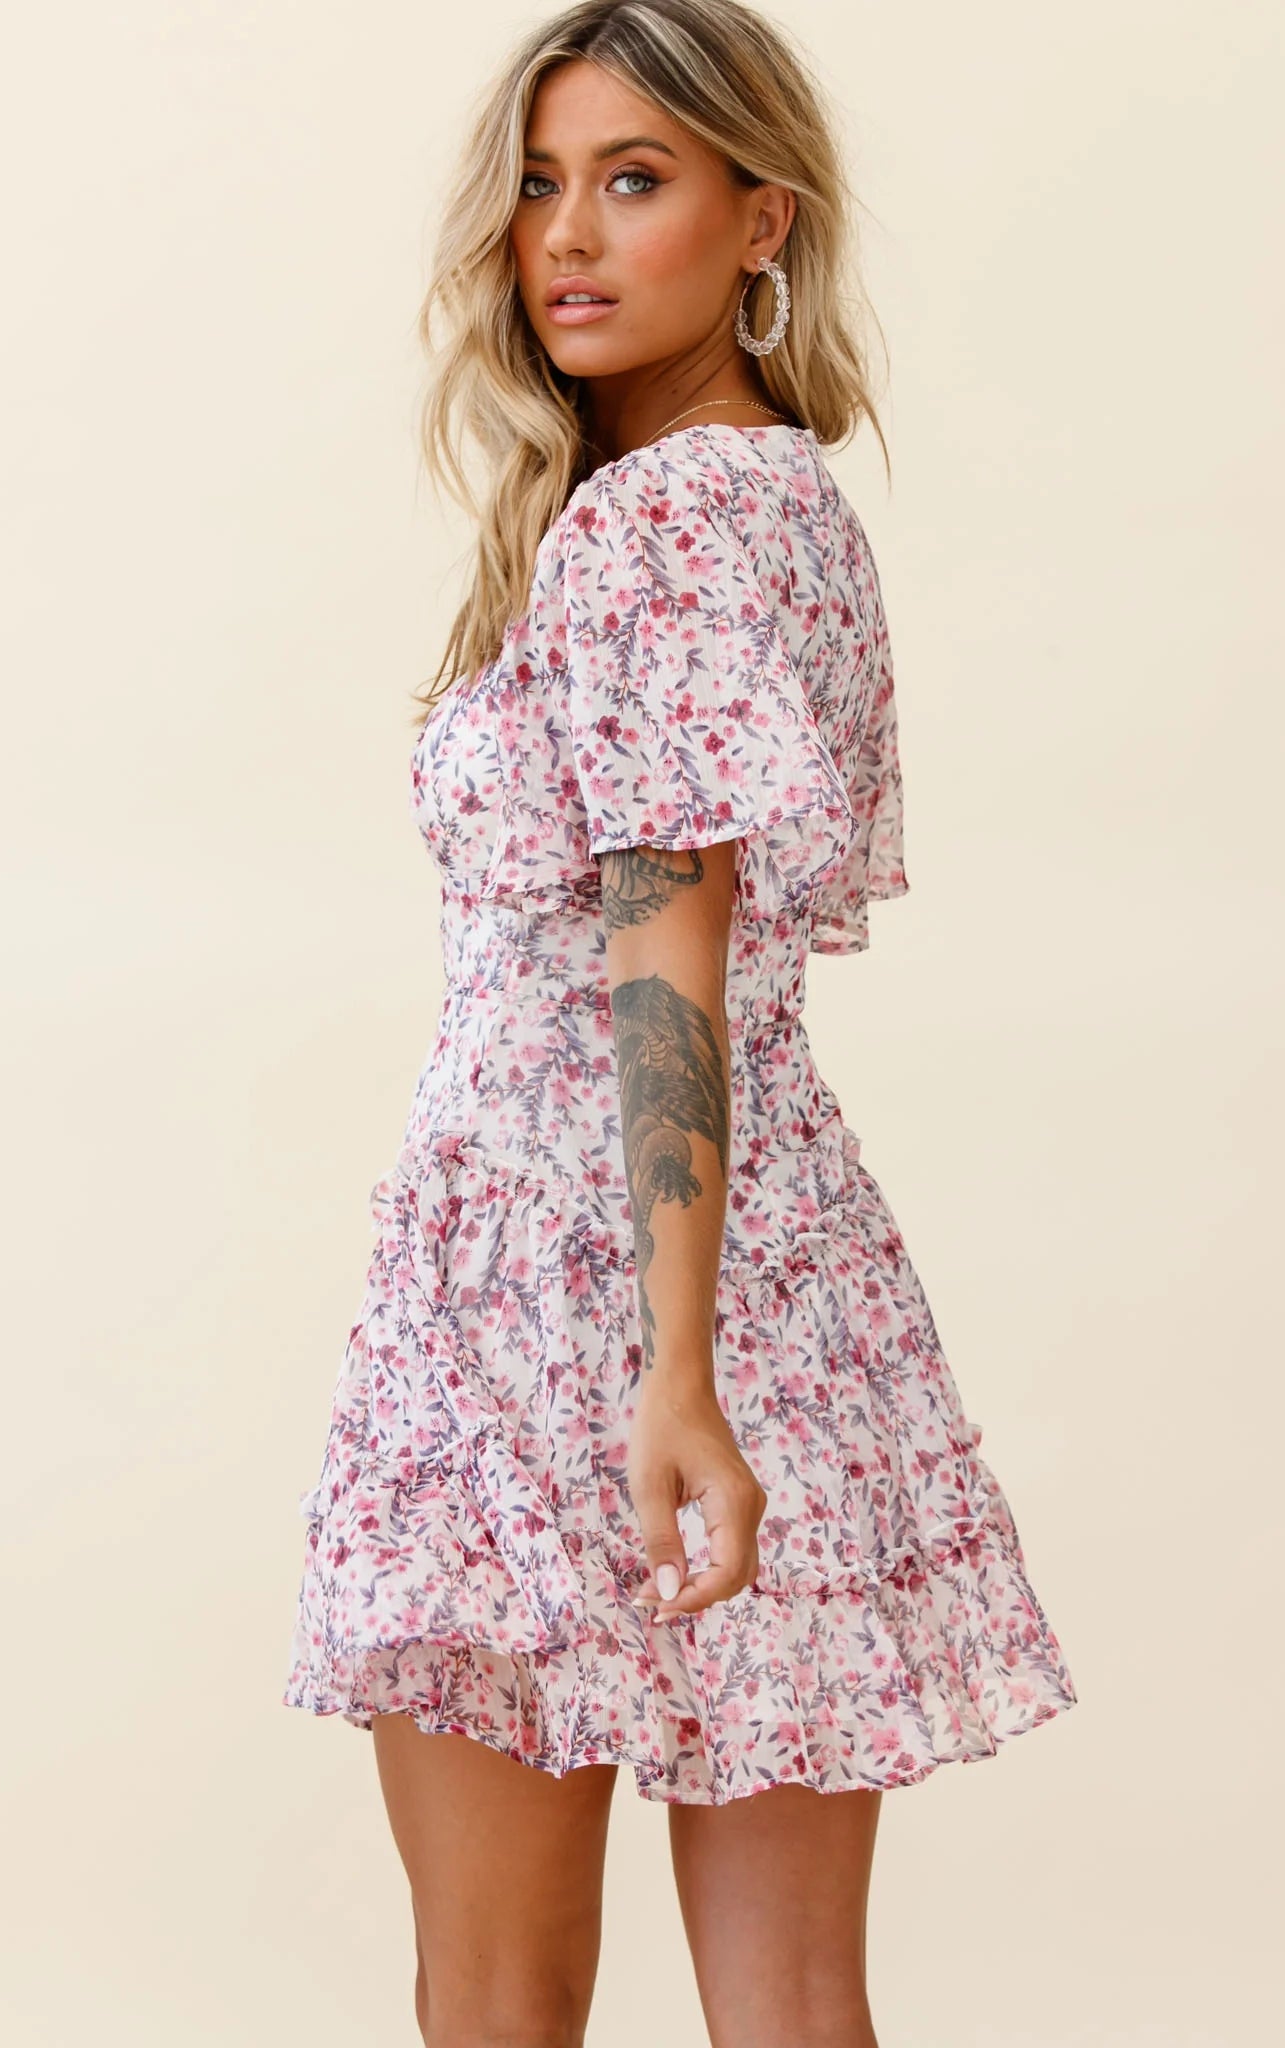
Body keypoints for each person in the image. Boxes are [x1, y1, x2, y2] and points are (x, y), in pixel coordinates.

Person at [283, 3, 1078, 2041]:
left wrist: (671, 1370)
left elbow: (669, 945)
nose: (565, 234)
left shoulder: (650, 528)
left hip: (563, 1304)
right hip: (783, 1273)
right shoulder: (778, 498)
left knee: (496, 1996)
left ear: (760, 219)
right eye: (539, 184)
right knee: (795, 2002)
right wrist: (709, 1355)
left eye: (632, 180)